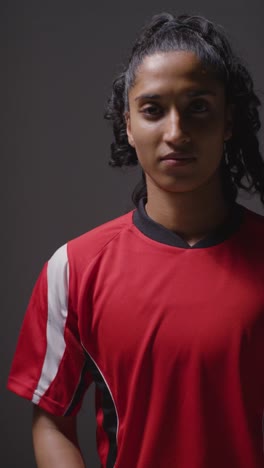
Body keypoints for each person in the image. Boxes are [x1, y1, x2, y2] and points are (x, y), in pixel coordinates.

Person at [7, 12, 264, 468]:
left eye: (198, 106)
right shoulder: (74, 268)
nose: (176, 132)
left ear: (228, 120)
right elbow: (51, 420)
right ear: (127, 124)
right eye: (152, 109)